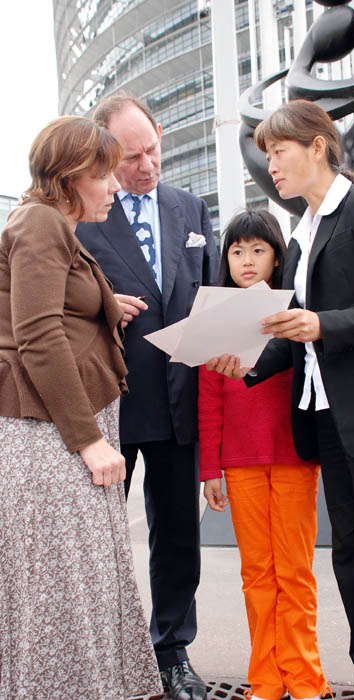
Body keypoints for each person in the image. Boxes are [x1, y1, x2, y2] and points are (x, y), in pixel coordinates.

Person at [208, 99, 354, 700]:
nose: (271, 167)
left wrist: (324, 324)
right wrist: (248, 365)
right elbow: (295, 338)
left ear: (318, 146)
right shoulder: (303, 233)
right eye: (267, 156)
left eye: (278, 152)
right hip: (330, 426)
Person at [0, 116, 162, 700]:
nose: (116, 186)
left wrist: (105, 305)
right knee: (64, 592)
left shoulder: (52, 224)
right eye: (104, 175)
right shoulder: (40, 222)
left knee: (76, 587)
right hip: (51, 434)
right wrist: (90, 440)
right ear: (70, 177)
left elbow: (52, 308)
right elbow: (38, 335)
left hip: (57, 429)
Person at [76, 92, 218, 700]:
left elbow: (210, 292)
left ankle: (172, 653)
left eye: (152, 150)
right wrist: (102, 306)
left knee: (179, 536)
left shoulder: (191, 208)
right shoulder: (82, 214)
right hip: (109, 405)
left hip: (182, 401)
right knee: (100, 540)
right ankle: (105, 659)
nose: (147, 166)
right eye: (131, 157)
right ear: (105, 153)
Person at [199, 209, 330, 700]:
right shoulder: (215, 318)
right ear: (226, 259)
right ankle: (267, 680)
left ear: (277, 257)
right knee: (256, 573)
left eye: (258, 249)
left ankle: (305, 677)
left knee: (295, 570)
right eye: (237, 251)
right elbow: (208, 400)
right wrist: (210, 470)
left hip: (294, 456)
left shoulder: (294, 311)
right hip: (239, 462)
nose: (247, 260)